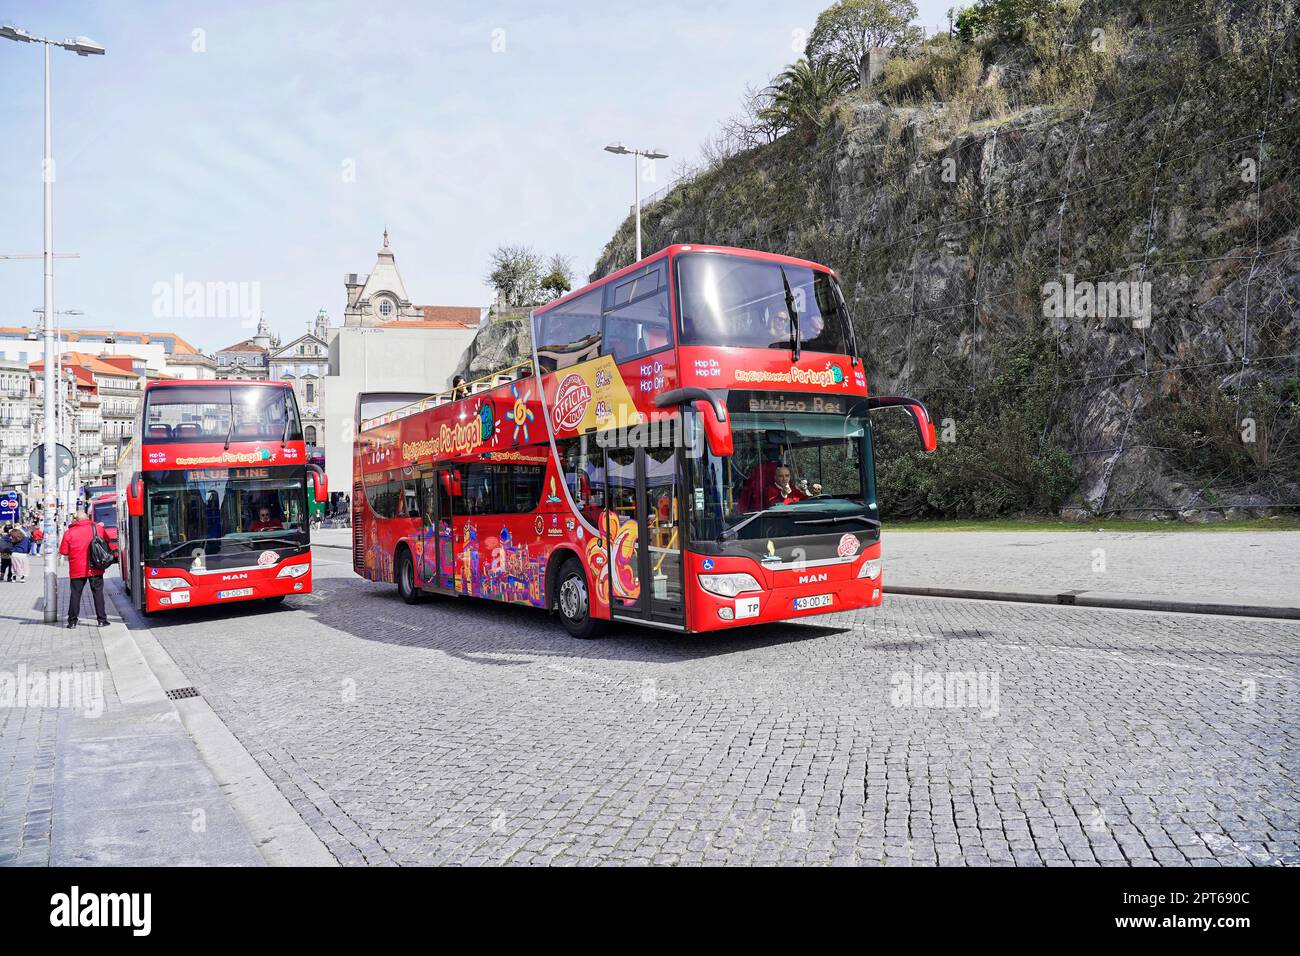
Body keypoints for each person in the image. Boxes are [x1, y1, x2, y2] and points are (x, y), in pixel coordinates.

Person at [58, 510, 110, 628]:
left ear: (76, 520)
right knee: (98, 594)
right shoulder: (98, 528)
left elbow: (63, 551)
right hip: (95, 567)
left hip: (77, 569)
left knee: (75, 595)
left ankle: (72, 622)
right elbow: (106, 541)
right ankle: (102, 620)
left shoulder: (69, 532)